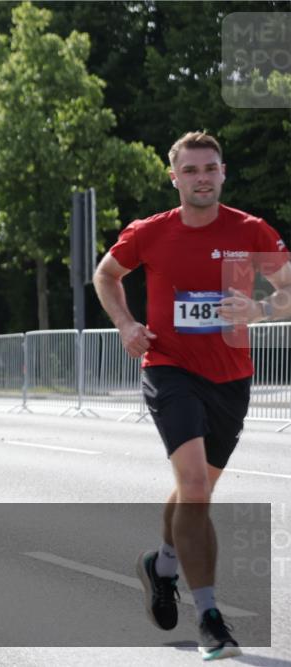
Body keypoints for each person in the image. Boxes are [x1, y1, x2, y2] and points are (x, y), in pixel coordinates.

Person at [93, 131, 291, 661]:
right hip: (169, 368)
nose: (201, 177)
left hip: (231, 378)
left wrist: (263, 311)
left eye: (210, 168)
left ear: (223, 173)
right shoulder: (150, 232)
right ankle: (209, 617)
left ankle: (161, 565)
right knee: (197, 484)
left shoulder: (250, 230)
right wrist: (126, 324)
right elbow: (107, 275)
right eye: (191, 170)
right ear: (174, 177)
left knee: (194, 490)